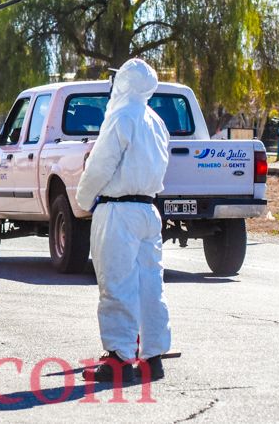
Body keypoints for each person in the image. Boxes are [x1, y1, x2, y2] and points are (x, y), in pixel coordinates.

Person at [76, 58, 171, 383]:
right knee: (150, 286)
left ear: (124, 83)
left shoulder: (121, 117)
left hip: (118, 211)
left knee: (116, 284)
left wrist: (83, 199)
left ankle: (118, 358)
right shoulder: (155, 121)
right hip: (148, 210)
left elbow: (100, 166)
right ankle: (152, 357)